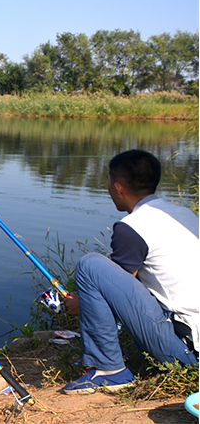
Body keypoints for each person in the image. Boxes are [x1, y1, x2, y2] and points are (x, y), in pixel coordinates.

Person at [62, 149, 198, 394]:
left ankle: (109, 371)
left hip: (187, 353)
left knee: (90, 265)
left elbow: (116, 290)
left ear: (118, 187)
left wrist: (81, 301)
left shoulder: (131, 227)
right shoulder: (184, 215)